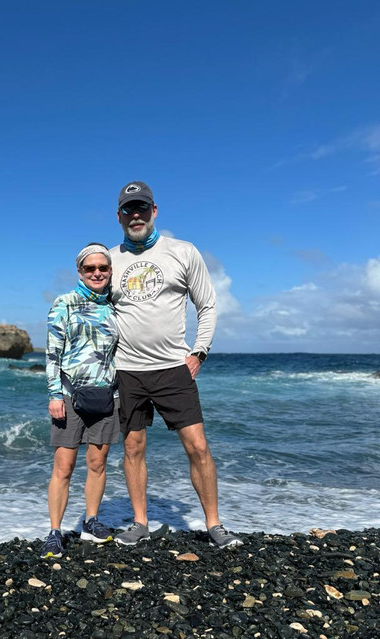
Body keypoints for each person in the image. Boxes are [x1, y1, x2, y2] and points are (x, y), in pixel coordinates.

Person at [109, 181, 242, 549]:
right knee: (133, 448)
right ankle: (140, 522)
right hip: (127, 370)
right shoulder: (110, 258)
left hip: (172, 368)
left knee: (197, 446)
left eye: (141, 208)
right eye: (127, 209)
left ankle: (214, 524)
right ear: (119, 216)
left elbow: (208, 304)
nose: (135, 215)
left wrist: (199, 352)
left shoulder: (182, 251)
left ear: (154, 211)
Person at [42, 243, 120, 558]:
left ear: (110, 270)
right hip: (70, 397)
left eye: (103, 268)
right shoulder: (65, 303)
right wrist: (53, 394)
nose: (97, 273)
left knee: (98, 463)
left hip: (107, 396)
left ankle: (91, 521)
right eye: (90, 269)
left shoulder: (116, 305)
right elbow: (52, 352)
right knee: (64, 466)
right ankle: (54, 531)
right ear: (80, 272)